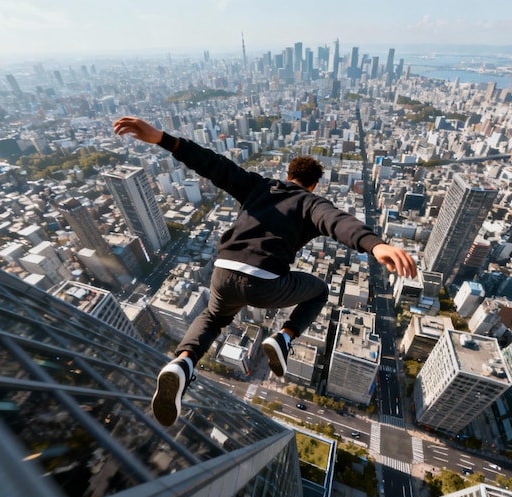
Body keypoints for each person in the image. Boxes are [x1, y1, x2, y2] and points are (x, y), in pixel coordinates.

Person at [113, 116, 417, 426]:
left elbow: (214, 165)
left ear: (288, 175)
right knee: (320, 291)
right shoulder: (311, 203)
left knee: (213, 318)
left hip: (223, 269)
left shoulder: (257, 185)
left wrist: (163, 138)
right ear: (313, 184)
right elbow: (337, 221)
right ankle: (284, 338)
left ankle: (183, 363)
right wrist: (375, 245)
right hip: (264, 280)